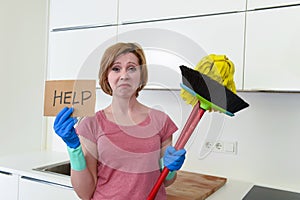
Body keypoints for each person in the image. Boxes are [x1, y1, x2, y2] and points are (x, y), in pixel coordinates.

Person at [53, 42, 186, 200]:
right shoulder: (91, 124)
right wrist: (74, 149)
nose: (124, 75)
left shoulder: (161, 121)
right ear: (106, 76)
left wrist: (170, 170)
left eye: (132, 68)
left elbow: (166, 182)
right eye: (116, 68)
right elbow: (85, 193)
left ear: (141, 76)